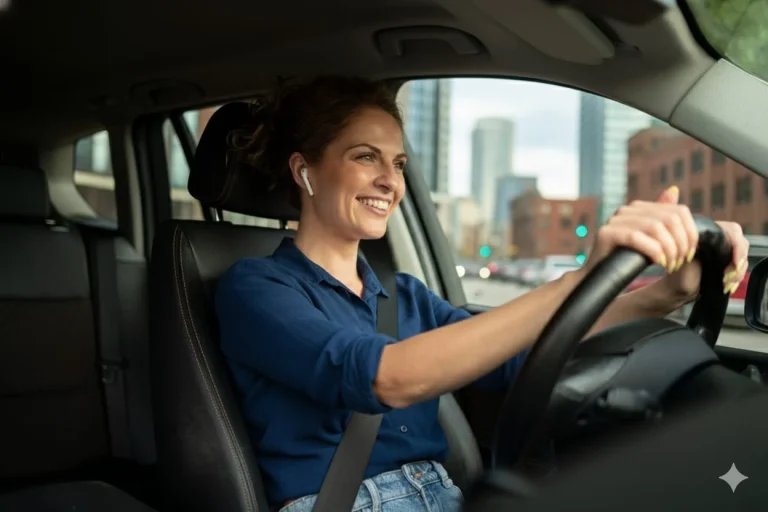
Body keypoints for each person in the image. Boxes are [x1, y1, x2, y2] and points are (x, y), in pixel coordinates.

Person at [214, 76, 749, 512]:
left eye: (397, 164)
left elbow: (523, 353)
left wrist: (660, 297)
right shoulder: (255, 288)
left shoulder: (405, 297)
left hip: (447, 495)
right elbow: (384, 376)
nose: (390, 181)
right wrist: (576, 280)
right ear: (304, 170)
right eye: (365, 157)